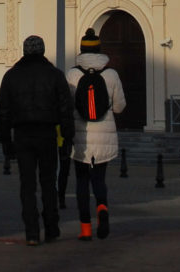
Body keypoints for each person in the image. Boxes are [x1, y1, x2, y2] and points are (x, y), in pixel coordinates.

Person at [0, 35, 74, 245]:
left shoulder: (11, 76)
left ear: (24, 51)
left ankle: (32, 232)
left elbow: (3, 110)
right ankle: (51, 228)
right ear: (42, 51)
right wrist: (68, 137)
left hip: (22, 134)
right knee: (49, 183)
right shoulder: (55, 75)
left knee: (27, 185)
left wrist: (5, 140)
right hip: (47, 133)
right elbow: (66, 108)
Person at [66, 29, 126, 240]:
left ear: (81, 50)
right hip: (104, 136)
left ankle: (85, 229)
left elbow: (67, 105)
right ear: (100, 49)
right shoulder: (111, 74)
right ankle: (102, 208)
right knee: (99, 180)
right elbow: (119, 107)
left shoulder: (73, 74)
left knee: (81, 182)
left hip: (80, 137)